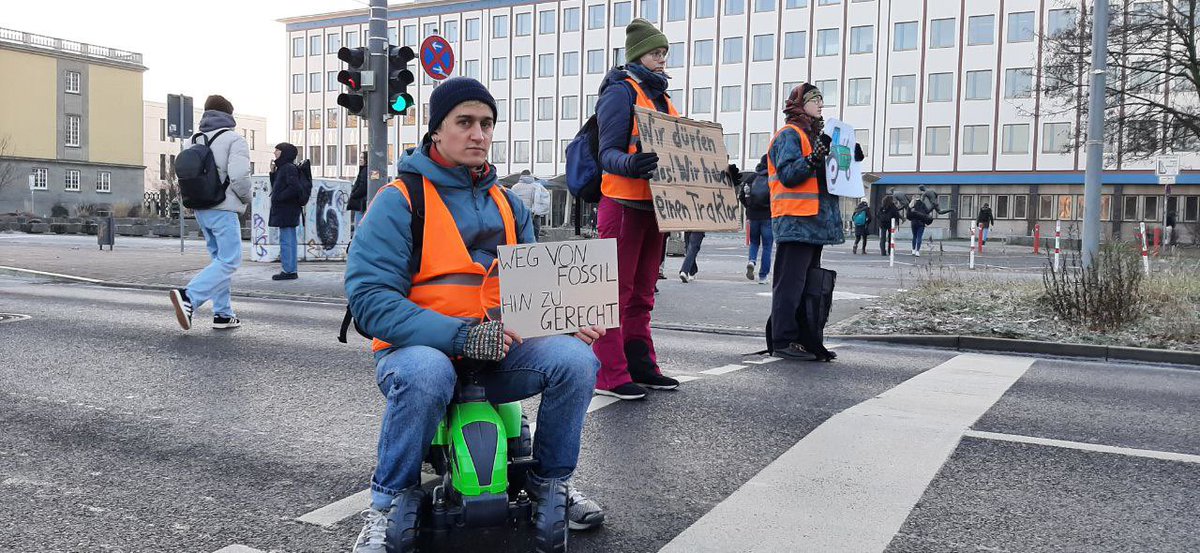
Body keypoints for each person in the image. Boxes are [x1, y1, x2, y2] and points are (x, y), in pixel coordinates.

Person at [344, 78, 607, 553]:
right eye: (464, 122)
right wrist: (462, 335)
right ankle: (385, 505)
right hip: (421, 352)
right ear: (436, 131)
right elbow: (370, 301)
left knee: (576, 359)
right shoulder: (399, 200)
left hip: (501, 351)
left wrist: (566, 316)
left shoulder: (510, 204)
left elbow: (534, 288)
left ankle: (552, 484)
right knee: (425, 373)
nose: (478, 134)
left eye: (486, 124)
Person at [590, 18, 683, 400]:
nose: (661, 59)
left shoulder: (662, 98)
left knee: (643, 292)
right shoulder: (620, 92)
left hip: (654, 207)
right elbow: (607, 152)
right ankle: (608, 374)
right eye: (655, 52)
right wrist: (631, 164)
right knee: (616, 292)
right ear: (637, 55)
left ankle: (640, 364)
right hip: (623, 205)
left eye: (664, 53)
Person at [767, 83, 861, 361]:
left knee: (806, 285)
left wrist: (849, 160)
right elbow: (789, 175)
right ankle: (783, 340)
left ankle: (804, 338)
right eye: (815, 100)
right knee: (790, 285)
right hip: (795, 220)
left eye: (821, 100)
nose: (820, 104)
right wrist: (815, 157)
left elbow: (829, 176)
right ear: (800, 105)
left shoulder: (818, 136)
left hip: (813, 222)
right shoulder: (790, 135)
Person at [168, 95, 251, 331]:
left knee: (219, 261)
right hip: (224, 209)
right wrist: (246, 199)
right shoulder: (234, 140)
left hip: (202, 209)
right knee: (230, 260)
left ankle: (223, 314)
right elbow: (239, 177)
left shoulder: (193, 140)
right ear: (229, 115)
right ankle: (189, 297)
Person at [269, 143, 304, 281]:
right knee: (288, 239)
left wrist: (278, 198)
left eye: (277, 150)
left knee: (287, 240)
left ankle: (289, 270)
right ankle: (290, 269)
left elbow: (294, 188)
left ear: (284, 152)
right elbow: (278, 186)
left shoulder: (288, 168)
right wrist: (273, 173)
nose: (274, 152)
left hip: (287, 209)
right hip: (287, 209)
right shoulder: (283, 168)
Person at [742, 156, 773, 284]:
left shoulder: (751, 178)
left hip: (753, 216)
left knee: (754, 242)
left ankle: (751, 261)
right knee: (767, 246)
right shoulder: (772, 179)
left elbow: (741, 196)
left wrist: (748, 208)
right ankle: (763, 276)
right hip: (767, 216)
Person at [512, 169, 552, 238]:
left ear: (521, 176)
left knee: (520, 233)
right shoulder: (537, 186)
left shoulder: (515, 187)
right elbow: (545, 198)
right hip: (534, 214)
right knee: (535, 234)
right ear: (530, 175)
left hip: (520, 214)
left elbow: (511, 202)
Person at [347, 152, 368, 228]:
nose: (360, 160)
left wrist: (353, 195)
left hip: (360, 203)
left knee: (358, 225)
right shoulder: (365, 170)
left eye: (362, 158)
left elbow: (362, 187)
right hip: (361, 203)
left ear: (366, 159)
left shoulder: (365, 170)